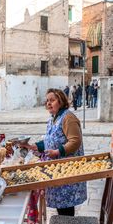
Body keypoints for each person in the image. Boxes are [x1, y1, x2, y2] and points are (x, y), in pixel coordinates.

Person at [21, 88, 87, 216]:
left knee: (66, 207)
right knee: (61, 207)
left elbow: (75, 141)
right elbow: (49, 140)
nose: (48, 103)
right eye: (47, 101)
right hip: (57, 170)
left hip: (68, 170)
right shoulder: (53, 118)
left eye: (52, 100)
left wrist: (57, 152)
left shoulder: (68, 117)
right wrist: (32, 146)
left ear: (61, 101)